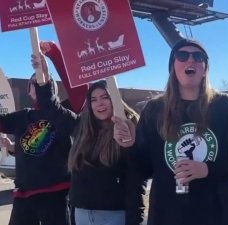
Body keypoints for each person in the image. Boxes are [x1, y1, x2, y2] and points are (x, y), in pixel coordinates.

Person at [128, 39, 228, 225]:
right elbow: (142, 169)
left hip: (219, 215)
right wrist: (129, 146)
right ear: (172, 66)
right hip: (168, 215)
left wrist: (207, 170)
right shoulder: (154, 109)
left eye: (198, 56)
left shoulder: (225, 106)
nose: (190, 60)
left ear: (205, 68)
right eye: (182, 55)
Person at [0, 52, 77, 225]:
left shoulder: (63, 115)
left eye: (43, 80)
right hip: (24, 193)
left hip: (57, 192)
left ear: (52, 88)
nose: (39, 84)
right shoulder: (21, 117)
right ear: (28, 89)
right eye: (35, 82)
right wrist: (12, 146)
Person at [67, 80, 145, 225]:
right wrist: (43, 82)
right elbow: (54, 110)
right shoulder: (83, 130)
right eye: (94, 100)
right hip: (81, 214)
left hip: (114, 216)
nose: (99, 104)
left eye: (105, 97)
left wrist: (135, 220)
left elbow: (136, 180)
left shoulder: (130, 129)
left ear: (115, 99)